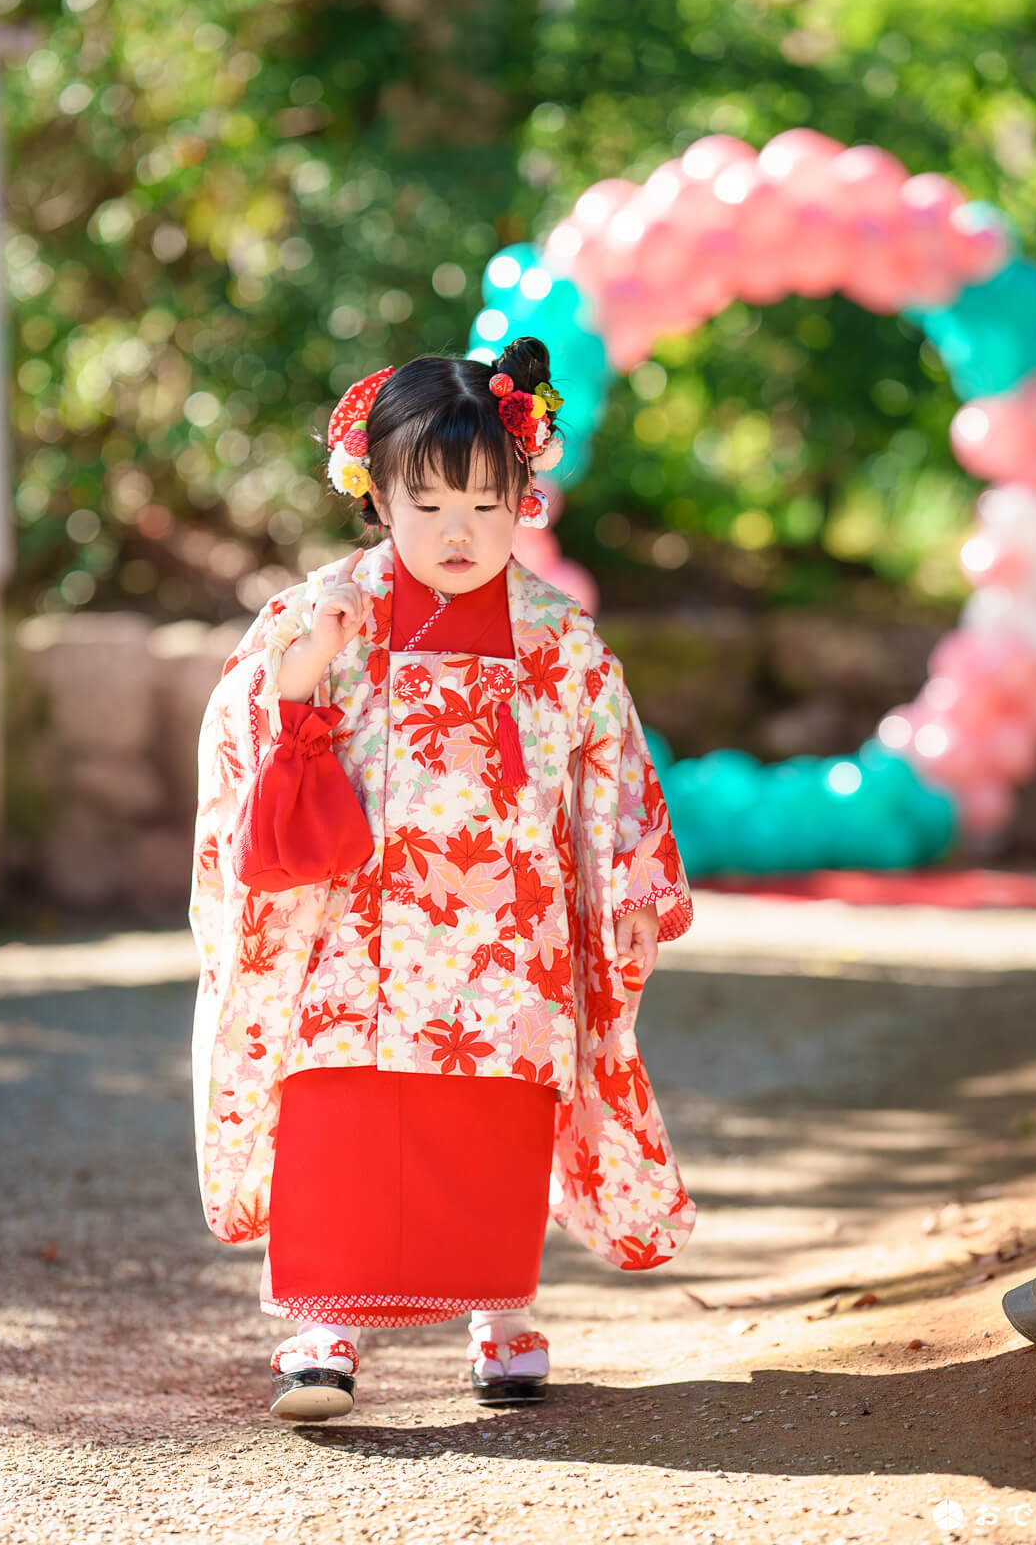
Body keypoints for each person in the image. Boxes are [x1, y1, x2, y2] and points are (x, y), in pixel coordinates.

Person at [188, 336, 696, 1421]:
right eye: (426, 505)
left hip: (504, 932)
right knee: (339, 1111)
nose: (456, 531)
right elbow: (246, 732)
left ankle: (500, 1313)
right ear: (373, 498)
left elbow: (613, 766)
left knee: (491, 1117)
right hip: (352, 926)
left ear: (526, 495)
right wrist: (298, 678)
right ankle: (326, 1327)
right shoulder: (327, 609)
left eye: (483, 502)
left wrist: (635, 891)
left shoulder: (559, 636)